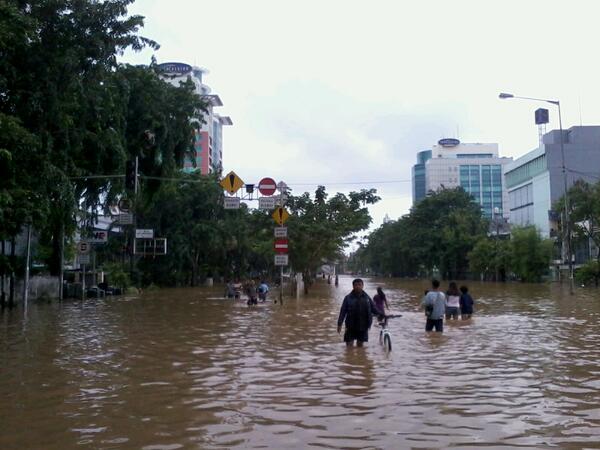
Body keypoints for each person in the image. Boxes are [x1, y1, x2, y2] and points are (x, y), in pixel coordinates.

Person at [337, 278, 382, 347]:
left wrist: (382, 314)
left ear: (362, 286)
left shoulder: (367, 298)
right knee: (349, 347)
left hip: (363, 326)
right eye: (356, 285)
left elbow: (374, 308)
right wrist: (339, 324)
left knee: (360, 347)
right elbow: (343, 312)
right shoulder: (348, 298)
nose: (358, 286)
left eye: (359, 285)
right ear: (353, 286)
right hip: (350, 326)